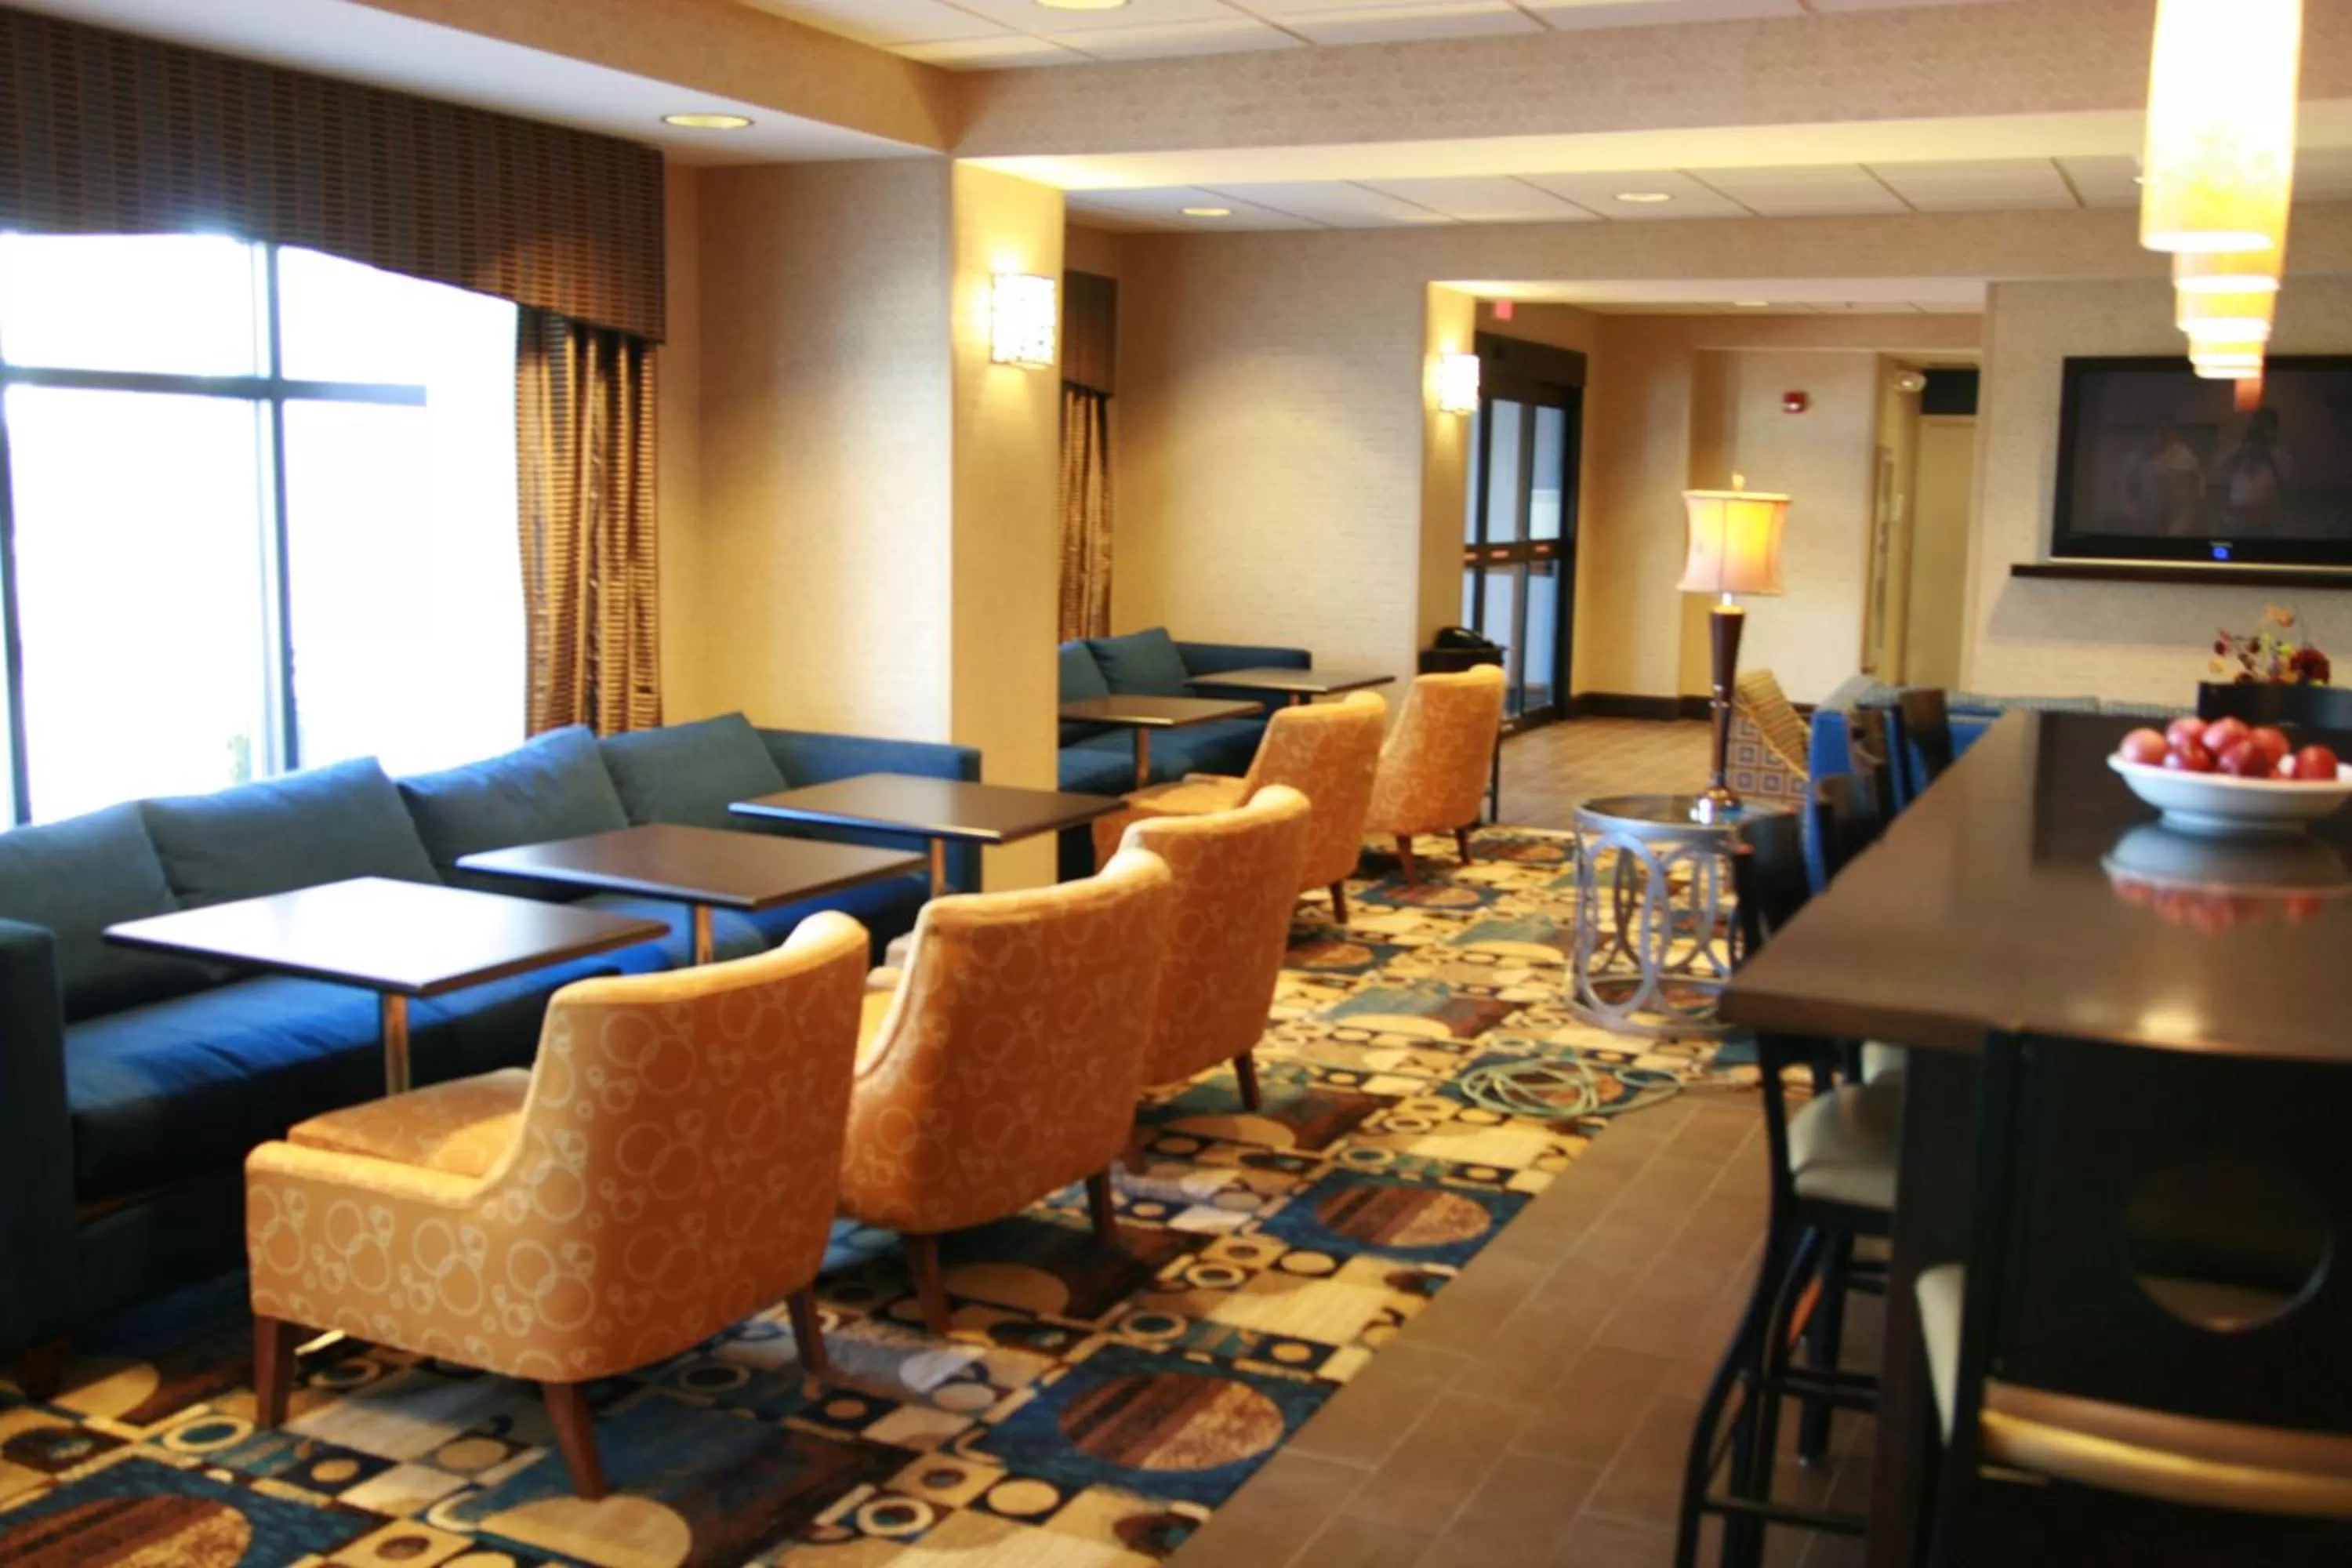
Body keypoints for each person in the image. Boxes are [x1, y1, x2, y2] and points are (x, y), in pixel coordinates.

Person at [2216, 405, 2297, 529]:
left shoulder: (2281, 454)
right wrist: (2242, 453)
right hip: (2236, 517)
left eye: (2264, 426)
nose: (2259, 429)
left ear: (2273, 429)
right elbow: (2221, 474)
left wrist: (2267, 457)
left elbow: (2287, 486)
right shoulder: (2239, 448)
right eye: (2256, 424)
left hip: (2266, 521)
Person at [2122, 423, 2206, 535]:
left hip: (2178, 510)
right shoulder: (2140, 455)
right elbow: (2127, 481)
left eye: (2166, 433)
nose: (2161, 437)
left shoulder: (2183, 454)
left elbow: (2199, 479)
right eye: (2158, 432)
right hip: (2149, 509)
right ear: (2152, 434)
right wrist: (2131, 506)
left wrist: (2197, 502)